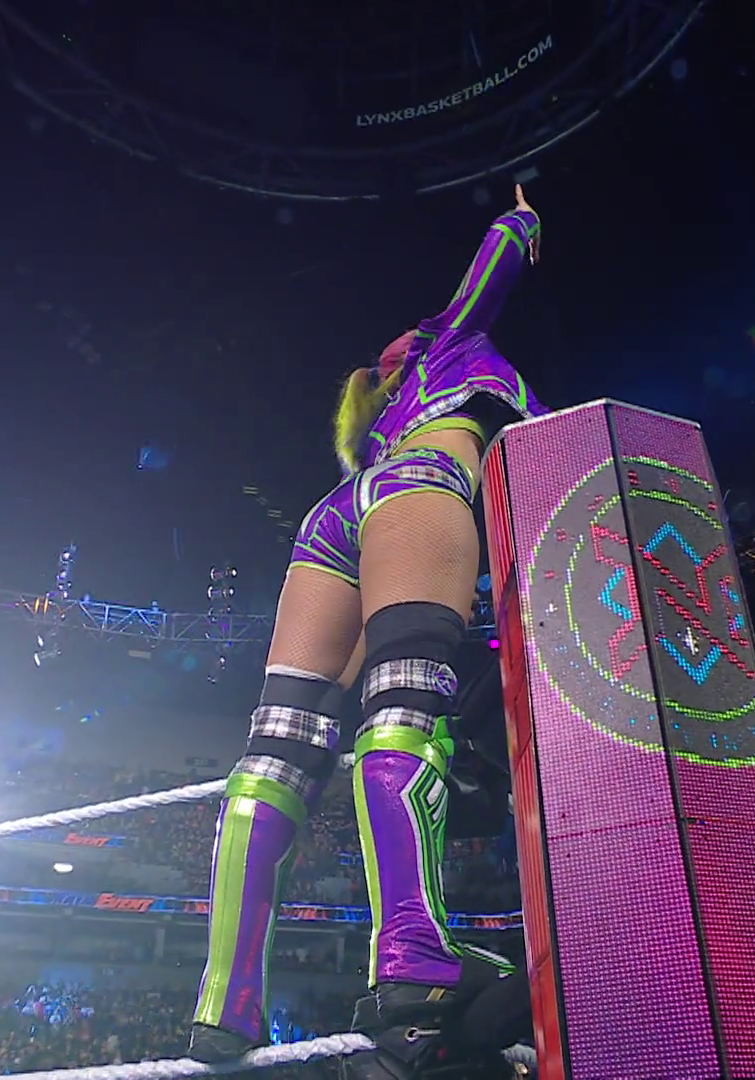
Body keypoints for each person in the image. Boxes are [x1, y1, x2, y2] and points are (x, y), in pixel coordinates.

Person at [189, 186, 546, 1079]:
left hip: (337, 517)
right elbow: (484, 283)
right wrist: (521, 223)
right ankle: (413, 958)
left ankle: (223, 1002)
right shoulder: (445, 352)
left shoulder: (376, 420)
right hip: (420, 492)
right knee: (403, 715)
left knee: (276, 751)